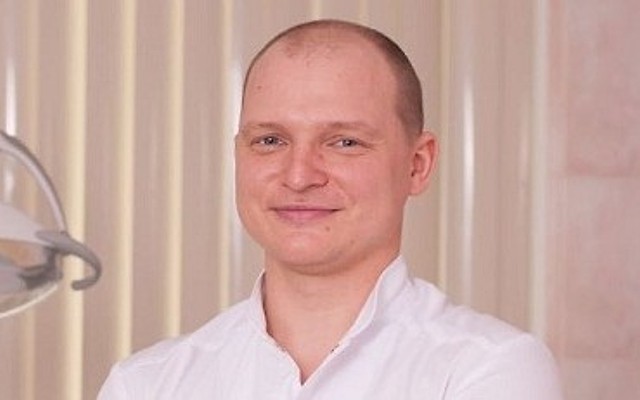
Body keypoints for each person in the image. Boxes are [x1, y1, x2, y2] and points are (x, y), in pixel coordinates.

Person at [99, 19, 563, 399]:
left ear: (417, 165)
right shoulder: (144, 385)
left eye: (344, 142)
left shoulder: (490, 369)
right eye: (270, 140)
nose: (299, 175)